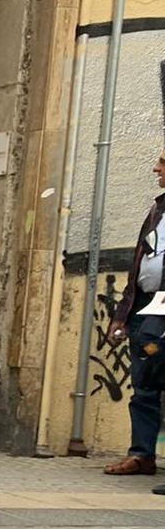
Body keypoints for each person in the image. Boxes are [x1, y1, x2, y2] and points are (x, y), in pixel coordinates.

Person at [106, 145, 165, 481]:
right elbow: (139, 262)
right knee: (143, 381)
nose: (156, 169)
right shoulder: (158, 210)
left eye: (162, 163)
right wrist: (122, 315)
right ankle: (142, 454)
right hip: (146, 304)